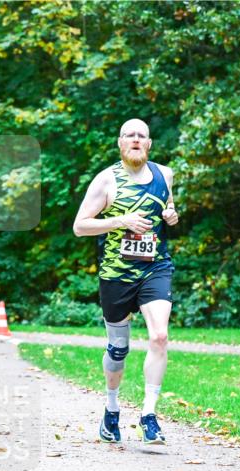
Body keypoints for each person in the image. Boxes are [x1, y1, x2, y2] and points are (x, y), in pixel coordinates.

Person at [72, 118, 179, 445]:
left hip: (154, 268)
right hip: (116, 275)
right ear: (121, 143)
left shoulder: (165, 175)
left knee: (159, 336)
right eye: (129, 135)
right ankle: (111, 409)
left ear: (149, 144)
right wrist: (120, 220)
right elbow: (80, 225)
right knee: (119, 350)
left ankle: (148, 415)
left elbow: (168, 206)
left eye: (141, 135)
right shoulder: (106, 180)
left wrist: (172, 214)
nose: (135, 139)